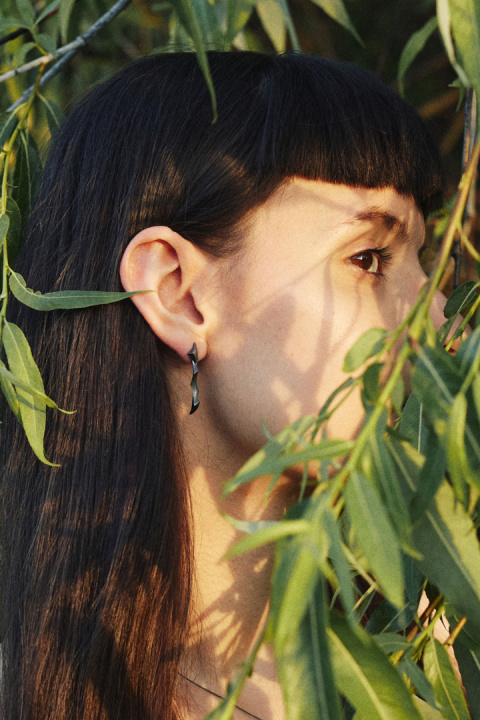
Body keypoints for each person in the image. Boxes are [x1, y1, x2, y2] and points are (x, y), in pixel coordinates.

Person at [0, 51, 448, 720]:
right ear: (176, 293)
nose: (439, 313)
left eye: (430, 257)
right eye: (370, 258)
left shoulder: (427, 658)